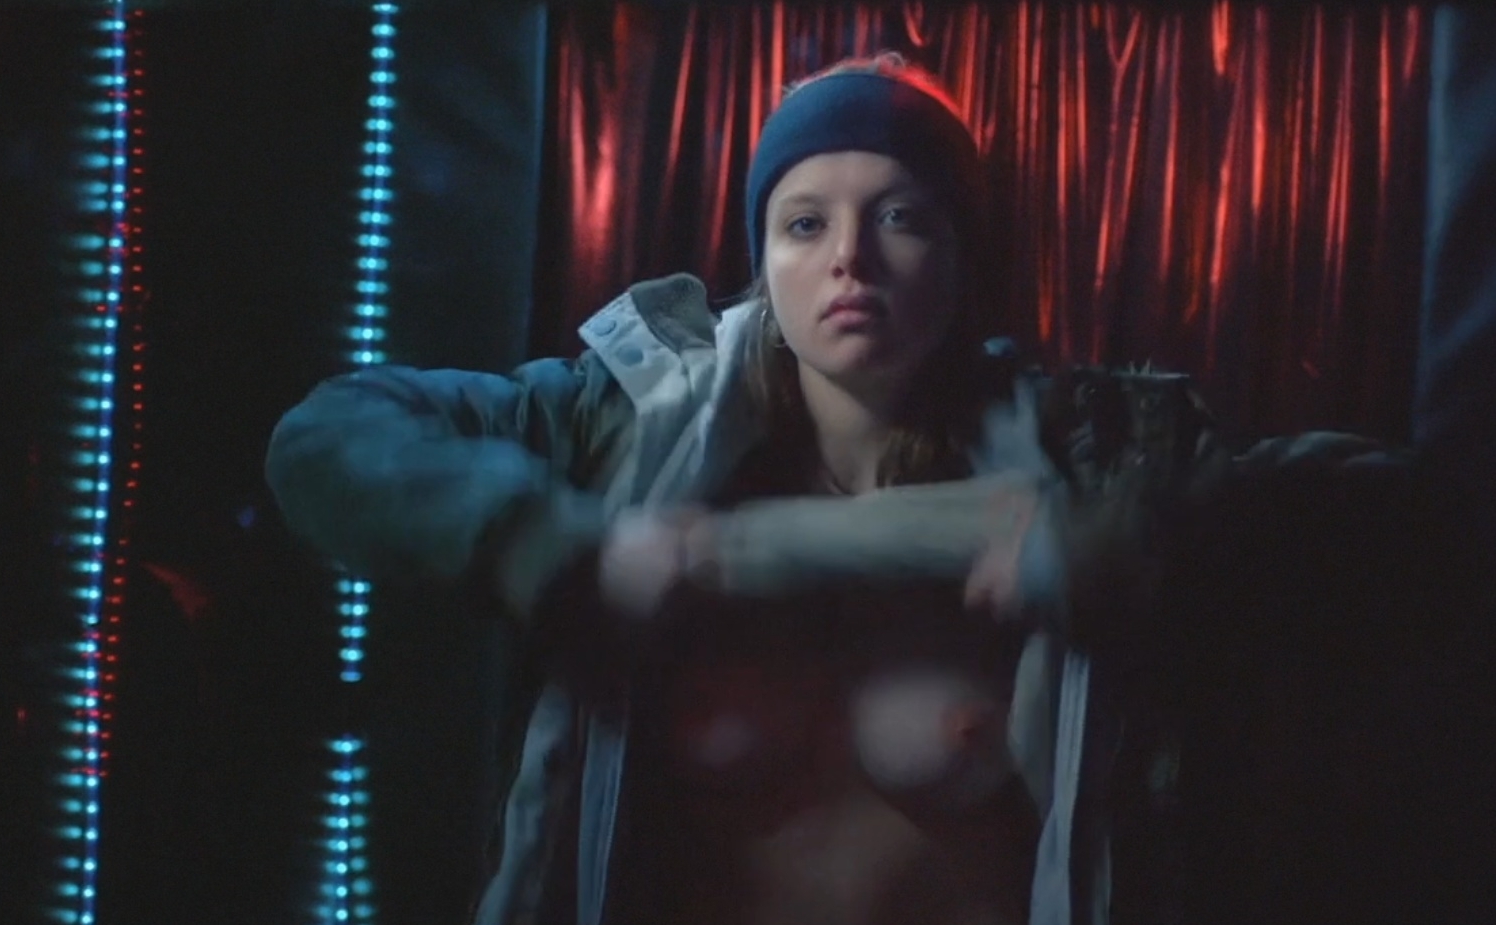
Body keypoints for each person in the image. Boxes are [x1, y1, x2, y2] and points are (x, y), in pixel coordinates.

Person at [266, 54, 1384, 925]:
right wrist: (546, 546)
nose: (850, 255)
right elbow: (326, 437)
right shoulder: (622, 428)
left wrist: (1136, 539)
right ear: (764, 257)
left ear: (963, 256)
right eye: (805, 222)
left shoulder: (1090, 454)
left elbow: (1400, 506)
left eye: (901, 215)